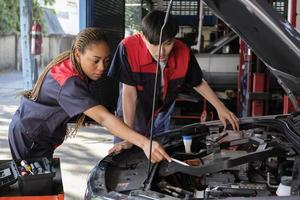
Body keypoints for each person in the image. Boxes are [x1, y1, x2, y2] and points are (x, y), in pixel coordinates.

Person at [8, 27, 171, 164]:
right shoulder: (68, 83)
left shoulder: (72, 64)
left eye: (106, 61)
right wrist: (145, 143)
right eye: (96, 60)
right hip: (30, 137)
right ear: (78, 54)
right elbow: (104, 118)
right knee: (36, 186)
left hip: (34, 130)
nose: (102, 67)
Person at [108, 10, 239, 152]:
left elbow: (198, 82)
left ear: (174, 38)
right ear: (142, 36)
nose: (161, 52)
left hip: (161, 114)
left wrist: (221, 107)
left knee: (159, 157)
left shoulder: (183, 52)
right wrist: (129, 137)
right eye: (154, 44)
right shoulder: (127, 48)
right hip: (132, 114)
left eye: (168, 43)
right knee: (127, 158)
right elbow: (129, 94)